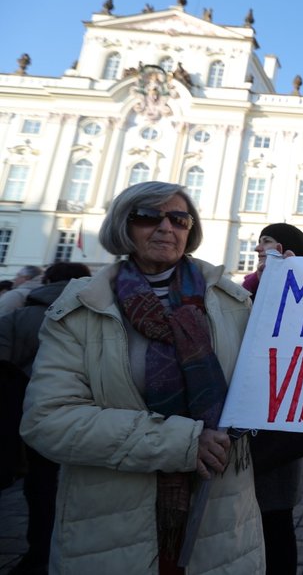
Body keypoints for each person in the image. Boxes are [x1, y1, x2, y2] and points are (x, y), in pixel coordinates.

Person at [20, 181, 264, 574]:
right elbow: (48, 420)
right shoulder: (83, 308)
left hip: (219, 526)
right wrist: (182, 442)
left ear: (191, 230)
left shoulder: (234, 303)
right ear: (123, 226)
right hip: (111, 527)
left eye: (179, 218)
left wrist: (284, 293)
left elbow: (279, 376)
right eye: (149, 216)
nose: (166, 227)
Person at [1, 262, 91, 575]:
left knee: (39, 485)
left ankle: (39, 549)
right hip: (84, 416)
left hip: (28, 413)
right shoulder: (92, 315)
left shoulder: (18, 315)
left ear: (47, 280)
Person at [244, 223, 303, 575]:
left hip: (272, 427)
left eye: (266, 242)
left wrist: (287, 284)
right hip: (242, 423)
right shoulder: (249, 290)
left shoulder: (300, 296)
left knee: (274, 519)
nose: (257, 250)